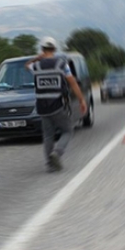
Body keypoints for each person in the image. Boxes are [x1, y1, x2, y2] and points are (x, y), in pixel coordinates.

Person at [25, 37, 87, 173]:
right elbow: (72, 83)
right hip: (57, 105)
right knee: (67, 130)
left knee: (48, 136)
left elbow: (26, 65)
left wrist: (37, 58)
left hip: (42, 107)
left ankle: (49, 165)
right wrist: (82, 100)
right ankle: (57, 153)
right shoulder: (61, 64)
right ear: (54, 49)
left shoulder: (37, 66)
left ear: (42, 49)